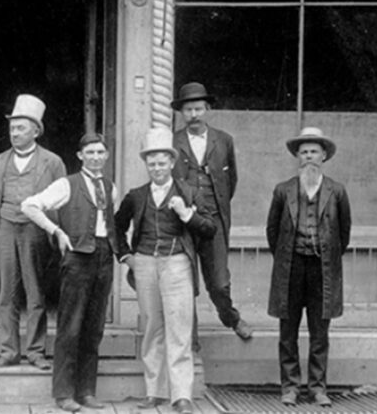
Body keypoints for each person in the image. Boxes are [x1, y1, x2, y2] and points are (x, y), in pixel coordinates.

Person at [116, 126, 216, 414]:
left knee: (179, 328)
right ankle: (153, 392)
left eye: (162, 162)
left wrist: (187, 215)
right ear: (146, 164)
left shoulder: (189, 191)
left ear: (172, 163)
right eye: (151, 163)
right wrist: (126, 257)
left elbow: (209, 229)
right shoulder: (136, 195)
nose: (157, 168)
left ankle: (181, 395)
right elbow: (116, 227)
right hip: (145, 263)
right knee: (151, 327)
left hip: (177, 264)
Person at [21, 132, 116, 413]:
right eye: (90, 153)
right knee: (71, 327)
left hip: (103, 257)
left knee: (94, 328)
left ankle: (86, 391)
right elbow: (29, 205)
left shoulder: (110, 187)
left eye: (100, 152)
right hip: (77, 259)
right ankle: (64, 394)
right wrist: (56, 231)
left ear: (106, 155)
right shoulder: (66, 184)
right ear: (80, 156)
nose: (96, 158)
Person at [267, 127, 351, 408]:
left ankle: (317, 388)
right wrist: (287, 257)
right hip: (291, 268)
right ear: (297, 157)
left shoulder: (337, 191)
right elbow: (272, 232)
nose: (309, 157)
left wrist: (325, 256)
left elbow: (344, 233)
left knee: (319, 332)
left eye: (314, 151)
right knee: (287, 332)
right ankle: (289, 387)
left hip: (322, 270)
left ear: (324, 155)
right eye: (304, 152)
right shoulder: (283, 190)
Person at [0, 94, 66, 370]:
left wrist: (56, 232)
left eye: (20, 128)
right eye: (12, 128)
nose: (14, 133)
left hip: (35, 229)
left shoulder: (52, 162)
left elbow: (61, 199)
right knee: (7, 292)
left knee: (35, 291)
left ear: (36, 131)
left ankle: (35, 351)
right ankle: (9, 350)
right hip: (6, 226)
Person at [171, 82, 252, 342]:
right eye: (188, 110)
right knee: (185, 283)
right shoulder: (173, 141)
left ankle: (231, 318)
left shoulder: (223, 140)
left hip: (213, 219)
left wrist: (213, 208)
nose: (194, 115)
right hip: (182, 221)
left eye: (198, 109)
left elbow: (232, 181)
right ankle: (189, 340)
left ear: (207, 109)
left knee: (218, 282)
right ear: (181, 113)